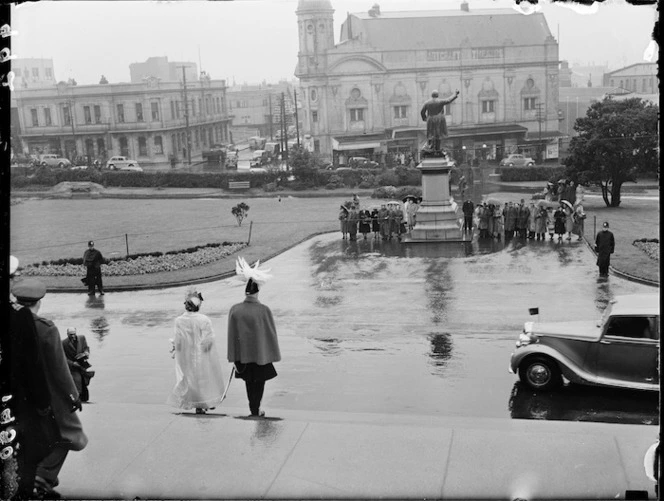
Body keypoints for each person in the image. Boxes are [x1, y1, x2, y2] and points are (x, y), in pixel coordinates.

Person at [11, 278, 88, 499]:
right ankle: (42, 478)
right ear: (38, 302)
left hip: (18, 395)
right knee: (68, 434)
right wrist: (73, 395)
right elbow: (60, 368)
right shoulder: (45, 328)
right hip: (47, 394)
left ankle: (37, 478)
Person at [2, 257, 53, 500]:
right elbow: (33, 366)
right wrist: (43, 405)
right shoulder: (18, 315)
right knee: (22, 458)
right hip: (14, 405)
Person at [228, 258, 281, 418]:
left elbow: (232, 336)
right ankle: (255, 409)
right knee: (259, 384)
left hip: (243, 357)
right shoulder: (264, 310)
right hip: (260, 355)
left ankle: (254, 408)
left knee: (249, 383)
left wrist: (233, 357)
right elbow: (270, 334)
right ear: (257, 292)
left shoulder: (235, 310)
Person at [167, 289, 225, 414]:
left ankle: (195, 402)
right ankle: (203, 403)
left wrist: (176, 350)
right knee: (203, 379)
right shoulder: (204, 319)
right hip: (200, 354)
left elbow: (178, 340)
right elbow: (209, 338)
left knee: (189, 379)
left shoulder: (179, 320)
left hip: (185, 355)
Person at [62, 328, 93, 403]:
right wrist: (72, 363)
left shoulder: (82, 338)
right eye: (71, 334)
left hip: (82, 364)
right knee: (77, 383)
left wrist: (86, 353)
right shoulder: (63, 343)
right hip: (73, 368)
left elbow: (86, 348)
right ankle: (77, 400)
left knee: (84, 382)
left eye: (74, 334)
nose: (73, 336)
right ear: (67, 334)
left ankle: (84, 400)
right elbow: (63, 357)